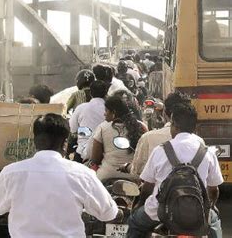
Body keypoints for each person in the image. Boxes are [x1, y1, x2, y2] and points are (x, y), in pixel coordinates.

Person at [0, 113, 119, 237]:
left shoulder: (11, 173)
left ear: (34, 141)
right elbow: (108, 213)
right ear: (65, 143)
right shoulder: (83, 174)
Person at [127, 103, 223, 237]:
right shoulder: (207, 152)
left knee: (134, 222)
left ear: (175, 125)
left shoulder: (160, 150)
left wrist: (141, 204)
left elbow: (147, 187)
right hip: (196, 214)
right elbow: (213, 190)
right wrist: (209, 207)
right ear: (194, 127)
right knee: (214, 224)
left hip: (159, 212)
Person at [123, 92, 204, 176]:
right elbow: (212, 186)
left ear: (165, 113)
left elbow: (137, 171)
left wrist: (127, 167)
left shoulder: (150, 140)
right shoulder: (199, 142)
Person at [91, 95, 146, 182]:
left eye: (106, 110)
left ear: (114, 112)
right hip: (134, 177)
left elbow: (95, 159)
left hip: (107, 175)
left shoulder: (102, 127)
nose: (104, 114)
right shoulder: (141, 126)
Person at [69, 80, 109, 161]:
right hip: (104, 154)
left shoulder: (81, 108)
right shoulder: (110, 110)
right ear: (106, 93)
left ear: (90, 93)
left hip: (82, 153)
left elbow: (72, 128)